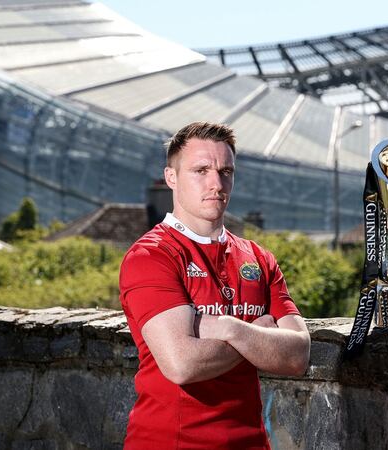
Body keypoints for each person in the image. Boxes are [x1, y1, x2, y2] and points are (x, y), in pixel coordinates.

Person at [119, 122, 310, 449]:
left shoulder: (259, 258)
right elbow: (182, 364)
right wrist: (256, 335)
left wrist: (230, 328)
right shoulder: (151, 255)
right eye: (201, 170)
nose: (216, 183)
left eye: (225, 171)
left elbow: (297, 355)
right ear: (171, 178)